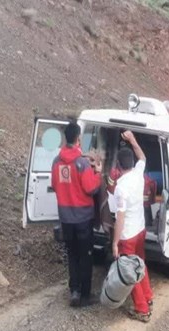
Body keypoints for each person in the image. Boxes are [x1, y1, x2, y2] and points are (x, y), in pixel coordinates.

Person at [51, 121, 102, 307]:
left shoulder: (56, 161)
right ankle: (86, 296)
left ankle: (74, 291)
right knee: (86, 256)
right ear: (79, 138)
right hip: (83, 219)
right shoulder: (82, 163)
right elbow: (91, 188)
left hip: (66, 218)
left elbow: (55, 185)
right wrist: (98, 173)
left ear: (66, 138)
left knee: (72, 255)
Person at [112, 130, 154, 323]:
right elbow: (143, 157)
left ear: (118, 166)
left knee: (131, 271)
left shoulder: (120, 187)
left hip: (128, 233)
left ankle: (142, 309)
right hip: (140, 229)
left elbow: (120, 217)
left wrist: (115, 242)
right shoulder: (139, 174)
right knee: (141, 264)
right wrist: (132, 140)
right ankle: (149, 297)